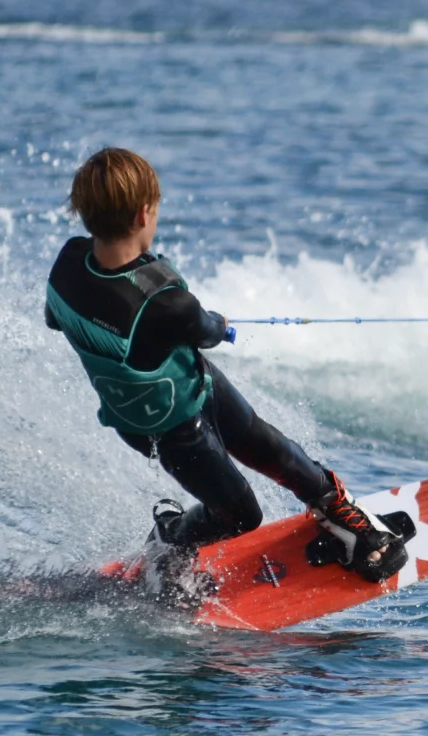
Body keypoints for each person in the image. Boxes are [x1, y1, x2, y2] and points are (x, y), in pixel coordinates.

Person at [44, 147, 407, 594]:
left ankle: (337, 510)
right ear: (144, 214)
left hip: (191, 387)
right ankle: (169, 541)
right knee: (239, 514)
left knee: (267, 444)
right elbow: (205, 329)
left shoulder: (67, 265)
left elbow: (53, 315)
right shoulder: (164, 298)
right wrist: (219, 323)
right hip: (168, 427)